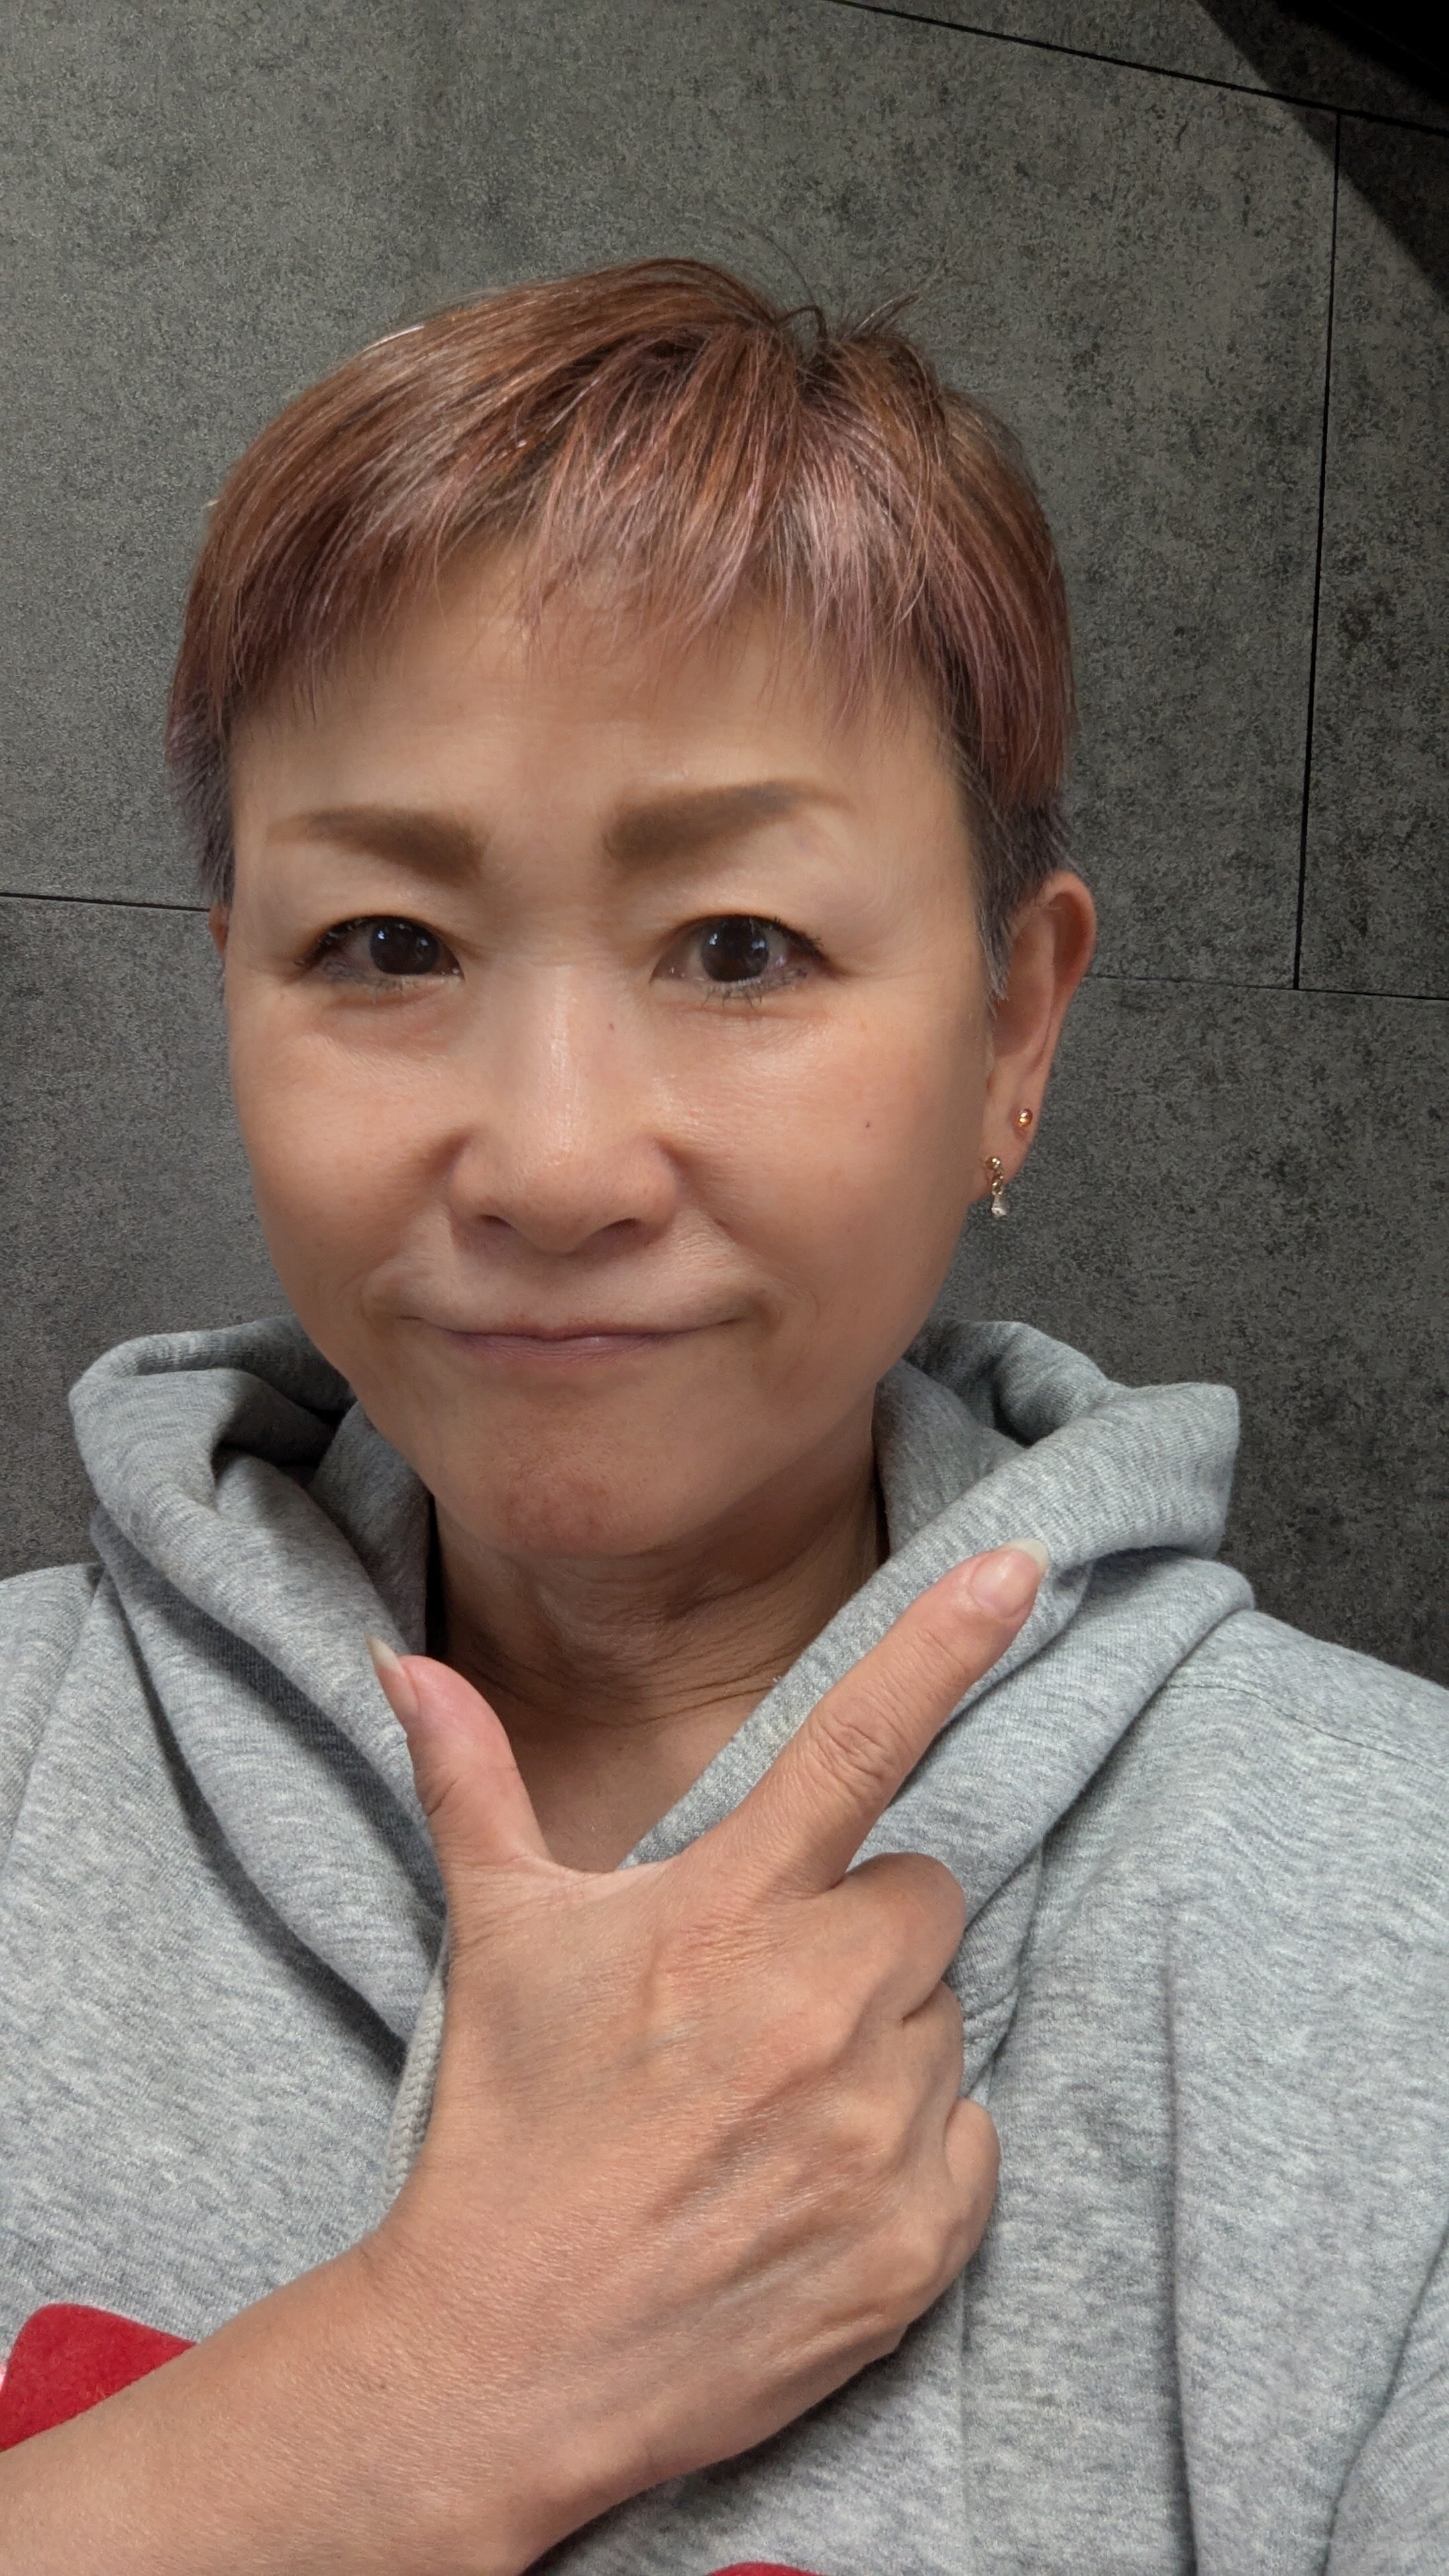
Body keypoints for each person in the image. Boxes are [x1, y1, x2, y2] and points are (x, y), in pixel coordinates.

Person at [0, 258, 1444, 2576]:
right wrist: (416, 2394)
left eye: (741, 949)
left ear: (1014, 1031)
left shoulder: (1391, 1933)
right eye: (385, 946)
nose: (555, 1164)